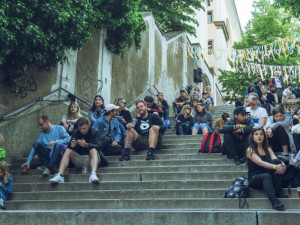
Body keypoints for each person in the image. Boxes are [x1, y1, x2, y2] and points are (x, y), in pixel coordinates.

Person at [49, 117, 105, 183]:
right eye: (80, 128)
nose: (82, 131)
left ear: (89, 125)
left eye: (84, 128)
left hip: (93, 158)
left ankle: (93, 174)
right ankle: (60, 175)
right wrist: (72, 146)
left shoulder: (95, 131)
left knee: (93, 150)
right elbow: (70, 146)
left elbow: (100, 147)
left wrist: (87, 145)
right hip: (79, 159)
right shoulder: (76, 132)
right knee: (68, 150)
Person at [246, 127, 287, 211]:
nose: (259, 136)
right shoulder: (250, 150)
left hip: (267, 176)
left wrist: (283, 165)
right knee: (266, 175)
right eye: (256, 134)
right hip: (254, 178)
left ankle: (278, 191)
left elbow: (275, 160)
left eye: (261, 134)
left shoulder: (268, 150)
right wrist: (276, 167)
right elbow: (260, 162)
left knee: (276, 162)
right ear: (252, 137)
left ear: (264, 136)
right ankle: (274, 201)